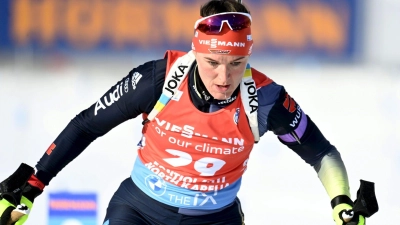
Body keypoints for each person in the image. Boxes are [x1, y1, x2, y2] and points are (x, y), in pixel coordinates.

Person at [0, 0, 370, 224]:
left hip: (216, 219)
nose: (224, 77)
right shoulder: (158, 79)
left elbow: (321, 153)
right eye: (212, 62)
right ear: (195, 52)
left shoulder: (267, 98)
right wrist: (34, 184)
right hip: (139, 212)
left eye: (237, 63)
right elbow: (86, 125)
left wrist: (341, 202)